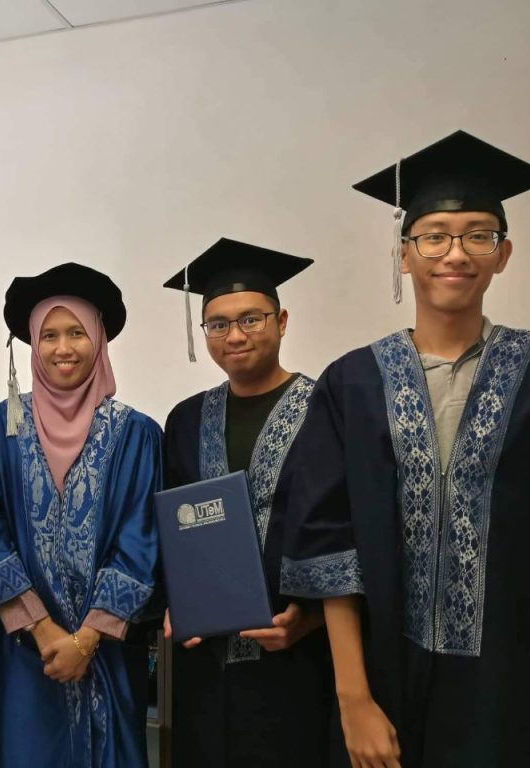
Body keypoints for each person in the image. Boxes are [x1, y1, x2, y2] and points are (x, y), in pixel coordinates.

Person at [281, 130, 530, 767]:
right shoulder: (352, 383)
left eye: (478, 235)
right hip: (386, 678)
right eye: (434, 236)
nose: (455, 253)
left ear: (502, 254)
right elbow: (329, 545)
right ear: (403, 254)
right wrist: (353, 699)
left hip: (525, 681)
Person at [0, 262, 162, 768]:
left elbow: (142, 540)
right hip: (19, 657)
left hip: (106, 655)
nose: (63, 348)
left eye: (76, 333)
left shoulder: (138, 435)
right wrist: (44, 631)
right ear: (32, 344)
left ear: (99, 340)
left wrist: (86, 640)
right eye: (49, 335)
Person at [160, 237, 332, 766]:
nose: (234, 336)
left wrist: (311, 617)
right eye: (218, 324)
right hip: (204, 669)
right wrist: (173, 604)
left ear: (282, 321)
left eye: (251, 319)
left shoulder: (329, 410)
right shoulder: (185, 419)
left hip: (298, 662)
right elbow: (168, 532)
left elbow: (356, 533)